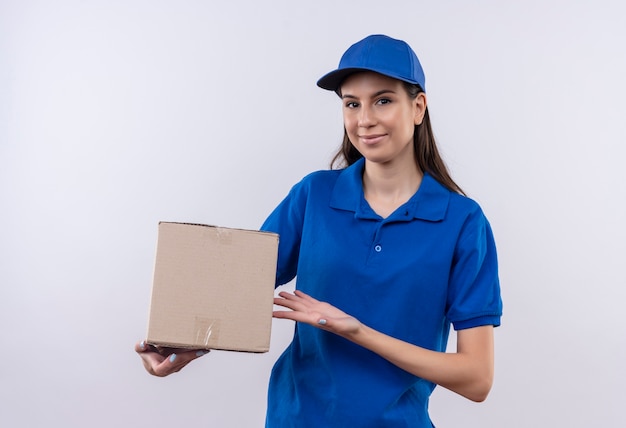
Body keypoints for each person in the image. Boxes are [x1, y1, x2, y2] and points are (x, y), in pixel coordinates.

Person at [136, 34, 503, 427]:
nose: (364, 119)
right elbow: (237, 294)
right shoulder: (313, 196)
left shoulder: (463, 222)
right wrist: (181, 346)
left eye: (383, 100)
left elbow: (476, 379)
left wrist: (356, 330)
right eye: (351, 104)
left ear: (417, 107)